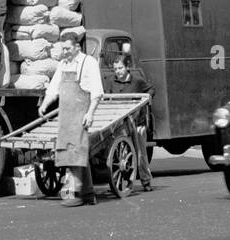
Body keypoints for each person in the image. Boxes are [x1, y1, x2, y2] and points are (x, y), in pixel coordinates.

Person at [37, 30, 104, 205]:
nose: (64, 52)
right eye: (63, 49)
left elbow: (97, 92)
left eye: (67, 48)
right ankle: (88, 193)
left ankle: (75, 192)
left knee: (76, 150)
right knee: (70, 151)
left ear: (77, 47)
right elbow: (54, 89)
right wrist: (44, 104)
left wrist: (90, 113)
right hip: (66, 115)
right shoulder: (63, 65)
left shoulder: (88, 63)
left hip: (81, 113)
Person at [103, 56, 154, 191]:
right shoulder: (111, 82)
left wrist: (146, 99)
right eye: (115, 69)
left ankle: (146, 181)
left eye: (120, 68)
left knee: (140, 152)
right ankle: (118, 183)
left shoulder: (136, 82)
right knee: (120, 152)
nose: (118, 71)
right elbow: (106, 98)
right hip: (119, 123)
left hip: (136, 121)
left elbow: (151, 90)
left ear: (127, 67)